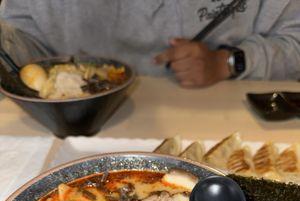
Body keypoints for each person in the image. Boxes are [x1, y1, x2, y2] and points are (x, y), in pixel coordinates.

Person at [0, 0, 300, 88]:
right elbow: (24, 49)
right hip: (70, 128)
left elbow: (295, 43)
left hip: (218, 114)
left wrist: (228, 62)